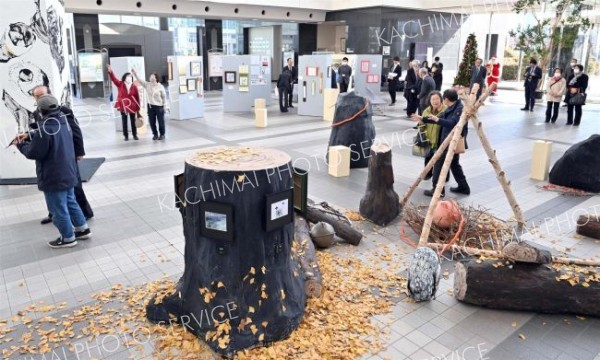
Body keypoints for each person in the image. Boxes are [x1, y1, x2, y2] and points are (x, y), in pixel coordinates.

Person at [11, 95, 92, 248]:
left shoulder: (45, 128)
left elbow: (34, 152)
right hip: (68, 170)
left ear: (41, 110)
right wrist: (31, 135)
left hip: (53, 175)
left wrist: (20, 145)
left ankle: (68, 238)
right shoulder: (62, 120)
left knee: (58, 208)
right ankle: (82, 229)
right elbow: (53, 137)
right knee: (70, 201)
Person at [32, 86, 94, 225]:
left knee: (74, 185)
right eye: (36, 96)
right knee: (52, 187)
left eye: (42, 95)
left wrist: (79, 152)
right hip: (50, 156)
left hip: (67, 154)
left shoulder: (64, 111)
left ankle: (84, 212)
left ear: (49, 94)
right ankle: (54, 213)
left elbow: (76, 131)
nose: (39, 98)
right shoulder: (37, 113)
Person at [413, 89, 470, 198]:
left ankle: (438, 190)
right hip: (449, 141)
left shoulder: (459, 109)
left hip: (451, 142)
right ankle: (463, 187)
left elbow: (452, 123)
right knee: (454, 165)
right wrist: (423, 119)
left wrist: (437, 120)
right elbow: (439, 118)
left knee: (438, 164)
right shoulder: (453, 107)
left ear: (445, 99)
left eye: (440, 98)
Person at [411, 91, 446, 180]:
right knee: (428, 157)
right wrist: (420, 122)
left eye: (437, 98)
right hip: (429, 139)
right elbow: (422, 125)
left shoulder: (445, 110)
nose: (435, 101)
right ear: (430, 101)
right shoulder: (426, 111)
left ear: (441, 99)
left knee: (441, 160)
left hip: (440, 139)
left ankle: (445, 175)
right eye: (433, 99)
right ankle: (427, 173)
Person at [132, 68, 169, 140]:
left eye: (152, 76)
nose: (150, 77)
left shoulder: (160, 87)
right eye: (150, 76)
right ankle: (155, 134)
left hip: (159, 107)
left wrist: (165, 106)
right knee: (152, 122)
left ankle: (162, 134)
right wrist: (135, 73)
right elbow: (139, 80)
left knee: (161, 121)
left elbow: (164, 97)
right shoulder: (147, 84)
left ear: (156, 78)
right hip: (150, 106)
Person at [107, 64, 140, 141]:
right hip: (123, 106)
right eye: (128, 76)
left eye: (130, 77)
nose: (129, 78)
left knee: (133, 121)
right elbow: (114, 79)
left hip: (132, 106)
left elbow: (137, 97)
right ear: (124, 77)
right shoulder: (120, 84)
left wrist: (138, 108)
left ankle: (135, 135)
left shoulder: (134, 86)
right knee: (124, 121)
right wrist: (110, 71)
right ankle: (126, 136)